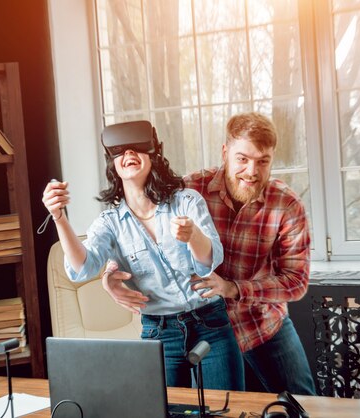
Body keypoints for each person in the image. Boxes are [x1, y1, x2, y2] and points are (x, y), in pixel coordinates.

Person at [101, 112, 317, 395]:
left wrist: (232, 288)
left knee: (301, 406)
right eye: (243, 159)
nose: (252, 171)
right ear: (225, 153)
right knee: (206, 411)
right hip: (203, 331)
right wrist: (109, 275)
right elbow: (138, 230)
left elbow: (296, 282)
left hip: (262, 325)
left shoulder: (287, 204)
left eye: (263, 161)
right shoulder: (189, 190)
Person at [42, 120, 244, 391]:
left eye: (137, 149)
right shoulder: (109, 223)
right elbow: (83, 268)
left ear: (153, 156)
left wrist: (193, 235)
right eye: (121, 151)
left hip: (210, 323)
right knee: (166, 410)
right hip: (160, 333)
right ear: (112, 164)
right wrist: (59, 218)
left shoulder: (186, 201)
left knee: (228, 408)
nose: (129, 155)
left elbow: (208, 262)